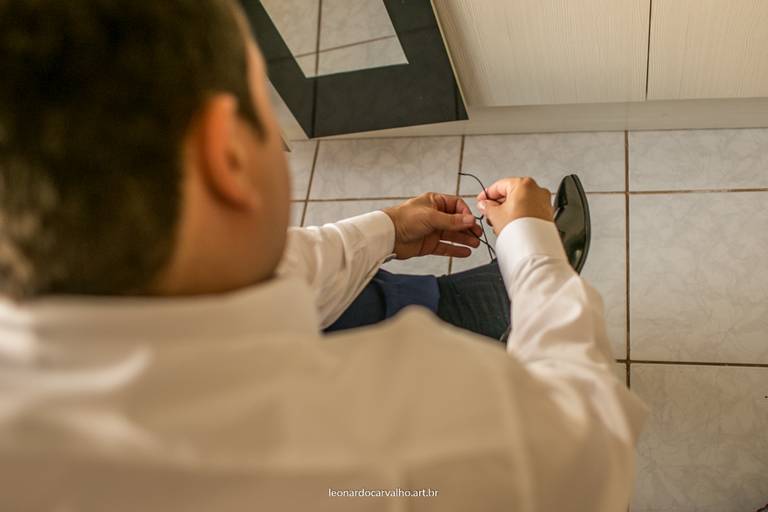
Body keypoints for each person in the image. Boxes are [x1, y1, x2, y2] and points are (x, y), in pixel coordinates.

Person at [0, 1, 647, 510]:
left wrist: (385, 229)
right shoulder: (386, 450)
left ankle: (459, 307)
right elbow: (587, 443)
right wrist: (535, 253)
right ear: (227, 157)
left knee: (338, 301)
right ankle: (511, 305)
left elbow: (281, 268)